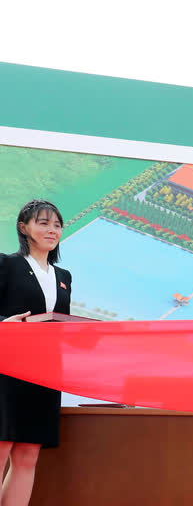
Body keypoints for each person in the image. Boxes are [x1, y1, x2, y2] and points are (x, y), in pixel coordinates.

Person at [1, 199, 72, 506]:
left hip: (45, 373)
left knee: (28, 454)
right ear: (24, 228)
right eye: (43, 223)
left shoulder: (64, 277)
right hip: (7, 368)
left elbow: (62, 324)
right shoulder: (7, 264)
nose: (51, 230)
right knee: (2, 446)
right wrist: (3, 324)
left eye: (56, 224)